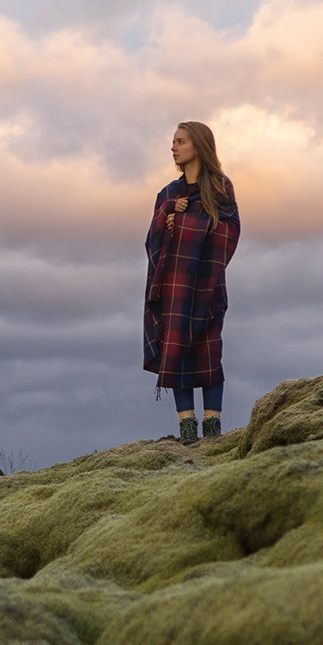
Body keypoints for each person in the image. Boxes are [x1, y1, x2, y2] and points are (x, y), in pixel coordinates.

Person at [144, 120, 240, 445]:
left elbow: (230, 231)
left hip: (208, 284)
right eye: (173, 141)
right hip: (174, 286)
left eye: (180, 141)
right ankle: (187, 432)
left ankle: (213, 433)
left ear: (198, 146)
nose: (174, 147)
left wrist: (183, 223)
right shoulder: (168, 194)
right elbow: (152, 238)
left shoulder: (220, 188)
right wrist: (167, 216)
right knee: (177, 351)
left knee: (210, 352)